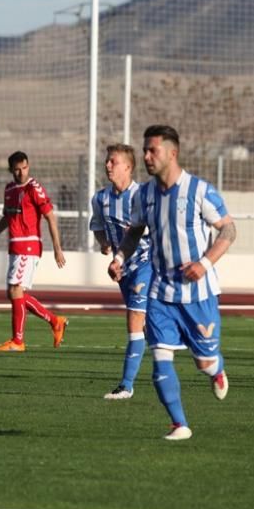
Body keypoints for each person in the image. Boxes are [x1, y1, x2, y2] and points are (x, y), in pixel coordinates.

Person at [109, 124, 236, 441]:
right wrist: (120, 258)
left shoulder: (199, 191)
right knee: (160, 358)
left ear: (172, 153)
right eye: (145, 150)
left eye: (153, 150)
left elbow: (229, 231)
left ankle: (215, 369)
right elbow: (134, 231)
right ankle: (180, 424)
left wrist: (204, 263)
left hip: (198, 294)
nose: (146, 156)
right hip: (160, 293)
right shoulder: (146, 195)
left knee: (204, 361)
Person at [0, 151, 67, 352]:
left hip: (28, 245)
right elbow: (7, 217)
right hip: (15, 246)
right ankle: (55, 321)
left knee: (16, 290)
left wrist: (57, 248)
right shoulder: (9, 189)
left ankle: (18, 341)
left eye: (24, 168)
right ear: (11, 170)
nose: (21, 172)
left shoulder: (33, 188)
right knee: (14, 293)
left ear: (29, 166)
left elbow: (50, 217)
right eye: (17, 169)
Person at [90, 143, 152, 400]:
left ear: (128, 167)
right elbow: (96, 225)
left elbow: (156, 229)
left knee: (134, 319)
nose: (107, 165)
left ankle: (126, 385)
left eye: (112, 161)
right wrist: (104, 243)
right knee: (149, 327)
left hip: (148, 264)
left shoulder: (143, 196)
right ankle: (193, 349)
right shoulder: (100, 199)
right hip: (122, 270)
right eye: (107, 161)